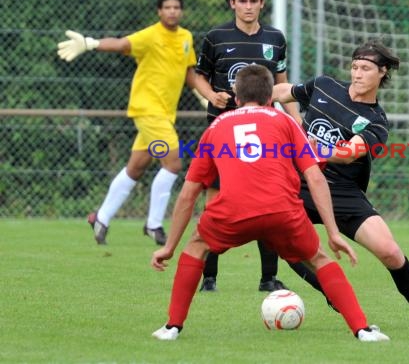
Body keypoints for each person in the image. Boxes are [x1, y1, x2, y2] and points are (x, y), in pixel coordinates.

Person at [150, 64, 389, 342]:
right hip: (283, 212)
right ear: (269, 98)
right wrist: (334, 232)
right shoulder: (285, 121)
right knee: (319, 258)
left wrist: (168, 247)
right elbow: (315, 177)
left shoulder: (216, 128)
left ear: (237, 98)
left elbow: (188, 194)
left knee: (196, 246)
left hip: (233, 212)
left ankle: (172, 327)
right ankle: (362, 329)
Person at [272, 40, 409, 330]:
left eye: (365, 68)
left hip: (343, 191)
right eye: (354, 67)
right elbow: (281, 91)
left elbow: (350, 152)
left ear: (382, 73)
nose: (357, 74)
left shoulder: (375, 121)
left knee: (389, 251)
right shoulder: (324, 86)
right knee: (282, 241)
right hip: (300, 184)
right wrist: (256, 101)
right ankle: (331, 291)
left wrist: (317, 152)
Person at [57, 0, 198, 246]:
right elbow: (122, 45)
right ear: (159, 11)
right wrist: (91, 43)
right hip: (147, 109)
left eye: (176, 7)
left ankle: (101, 217)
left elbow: (188, 72)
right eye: (167, 7)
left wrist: (203, 93)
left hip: (164, 113)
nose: (172, 11)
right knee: (174, 163)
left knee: (136, 167)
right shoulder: (150, 35)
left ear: (181, 10)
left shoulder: (186, 37)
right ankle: (154, 225)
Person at [192, 0, 301, 292]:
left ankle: (268, 278)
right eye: (242, 1)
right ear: (232, 3)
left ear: (262, 3)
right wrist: (212, 96)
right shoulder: (216, 37)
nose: (248, 6)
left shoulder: (275, 38)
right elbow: (200, 76)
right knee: (214, 200)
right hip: (223, 134)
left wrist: (297, 122)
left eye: (254, 1)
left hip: (265, 133)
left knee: (267, 199)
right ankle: (209, 277)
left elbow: (282, 84)